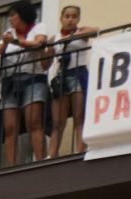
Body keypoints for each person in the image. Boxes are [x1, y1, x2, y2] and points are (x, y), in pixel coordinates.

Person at [0, 2, 53, 166]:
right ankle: (11, 167)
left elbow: (38, 43)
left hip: (32, 78)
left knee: (33, 122)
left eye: (13, 14)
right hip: (10, 82)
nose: (10, 18)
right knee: (9, 127)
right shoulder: (8, 33)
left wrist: (15, 41)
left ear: (23, 14)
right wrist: (6, 42)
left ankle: (41, 162)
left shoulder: (38, 27)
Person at [47, 7, 98, 157]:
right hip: (61, 76)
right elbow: (46, 63)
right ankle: (51, 154)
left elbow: (96, 30)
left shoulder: (81, 32)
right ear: (61, 18)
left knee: (79, 116)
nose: (70, 19)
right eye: (67, 16)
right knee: (58, 121)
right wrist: (48, 47)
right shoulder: (54, 37)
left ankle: (80, 150)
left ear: (78, 19)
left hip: (78, 73)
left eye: (74, 16)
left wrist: (70, 38)